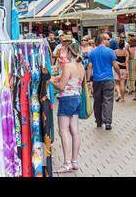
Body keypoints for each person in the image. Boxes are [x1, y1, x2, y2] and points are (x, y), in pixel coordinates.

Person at [50, 43, 84, 173]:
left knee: (63, 131)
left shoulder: (68, 66)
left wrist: (51, 81)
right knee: (75, 131)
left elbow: (61, 86)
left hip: (67, 99)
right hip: (77, 98)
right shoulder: (80, 66)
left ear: (70, 52)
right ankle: (74, 161)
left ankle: (66, 163)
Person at [87, 33, 121, 130]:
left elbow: (89, 67)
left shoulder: (92, 52)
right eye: (108, 39)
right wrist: (118, 75)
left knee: (98, 101)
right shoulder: (110, 51)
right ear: (103, 40)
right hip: (108, 79)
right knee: (108, 101)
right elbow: (115, 65)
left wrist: (89, 80)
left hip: (97, 80)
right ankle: (108, 123)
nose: (109, 41)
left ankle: (99, 121)